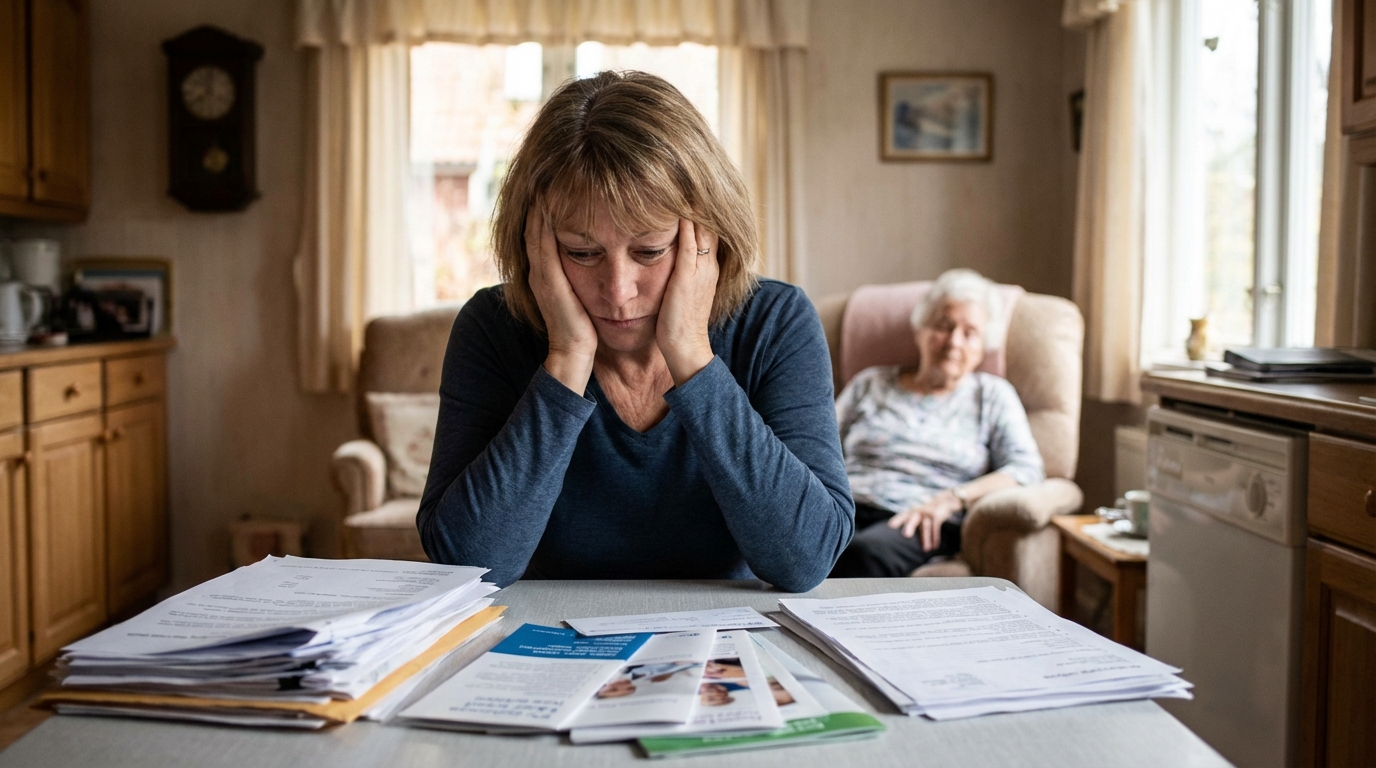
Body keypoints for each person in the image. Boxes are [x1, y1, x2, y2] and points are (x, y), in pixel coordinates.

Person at [416, 71, 853, 590]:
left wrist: (692, 355)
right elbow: (469, 566)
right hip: (543, 637)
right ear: (536, 245)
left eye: (649, 251)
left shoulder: (775, 322)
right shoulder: (492, 328)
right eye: (582, 253)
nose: (618, 291)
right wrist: (566, 357)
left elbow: (805, 560)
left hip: (728, 635)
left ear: (708, 237)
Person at [829, 269, 1044, 578]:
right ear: (921, 329)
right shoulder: (870, 383)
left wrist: (953, 499)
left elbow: (1025, 469)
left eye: (970, 333)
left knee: (864, 553)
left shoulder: (992, 396)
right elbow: (820, 447)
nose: (954, 342)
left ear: (984, 347)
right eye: (944, 326)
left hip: (919, 517)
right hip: (846, 506)